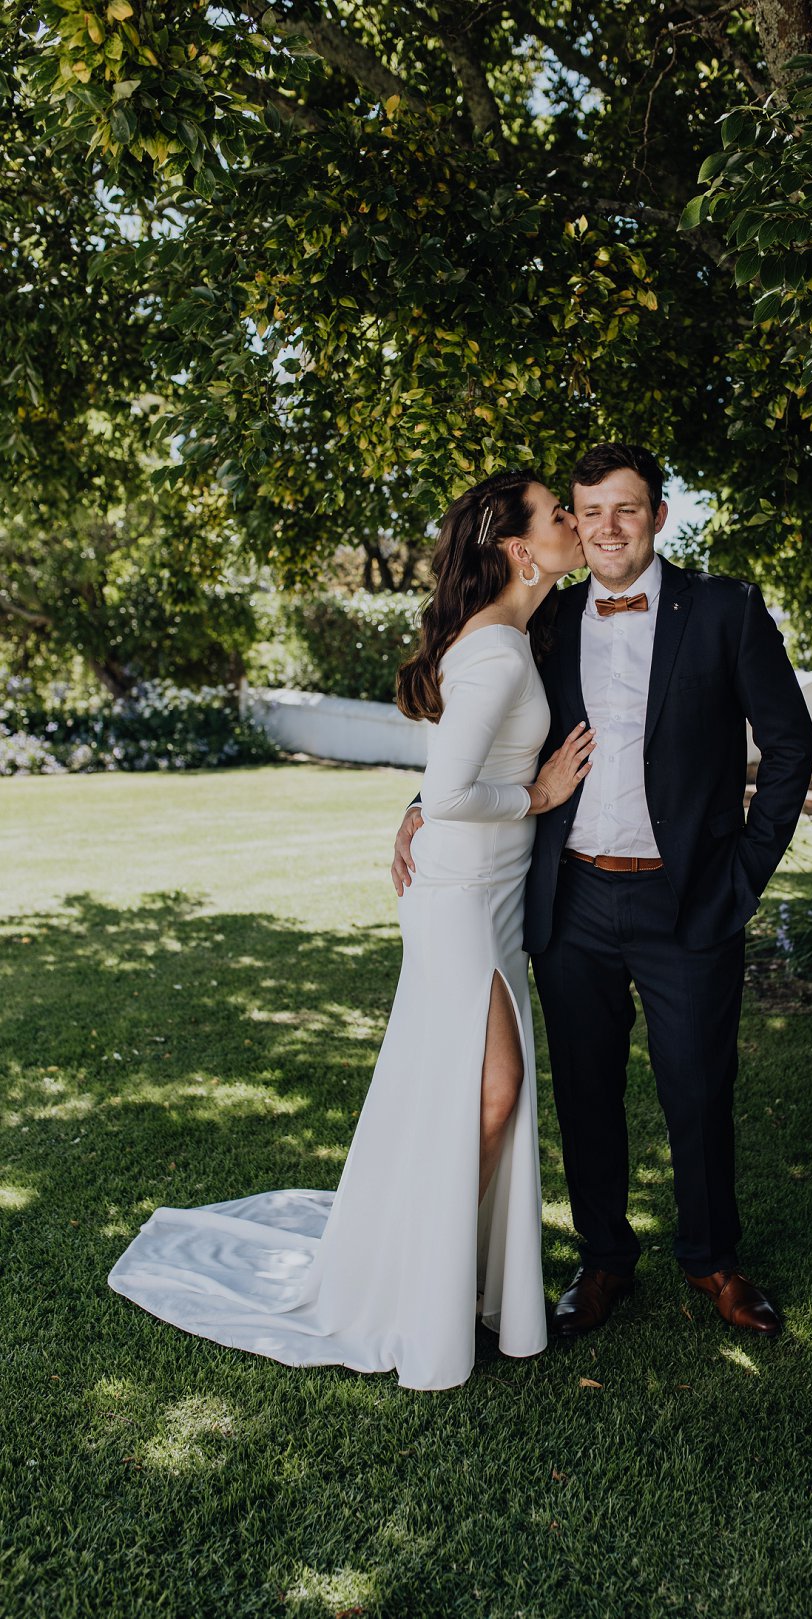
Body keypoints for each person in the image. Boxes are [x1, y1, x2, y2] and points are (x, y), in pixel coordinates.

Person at [108, 470, 590, 1390]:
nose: (573, 522)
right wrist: (536, 795)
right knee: (495, 1089)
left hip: (488, 891)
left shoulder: (512, 635)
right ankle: (422, 1280)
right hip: (458, 895)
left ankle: (435, 1267)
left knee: (466, 1087)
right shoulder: (496, 651)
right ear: (520, 549)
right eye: (558, 513)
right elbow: (448, 792)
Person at [394, 444, 812, 1342]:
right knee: (584, 1090)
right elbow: (474, 735)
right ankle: (603, 1259)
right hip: (572, 896)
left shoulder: (726, 609)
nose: (608, 527)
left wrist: (744, 873)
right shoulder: (546, 618)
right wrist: (419, 808)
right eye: (589, 511)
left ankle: (712, 1260)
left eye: (627, 508)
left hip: (689, 897)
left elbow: (789, 746)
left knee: (698, 1088)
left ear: (659, 515)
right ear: (575, 527)